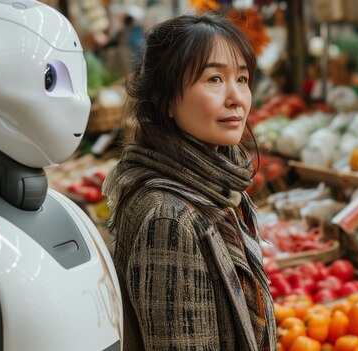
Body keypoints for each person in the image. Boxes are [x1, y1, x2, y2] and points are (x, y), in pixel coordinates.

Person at [103, 14, 277, 351]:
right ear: (166, 99)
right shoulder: (170, 219)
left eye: (242, 78)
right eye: (214, 79)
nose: (237, 98)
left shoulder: (220, 189)